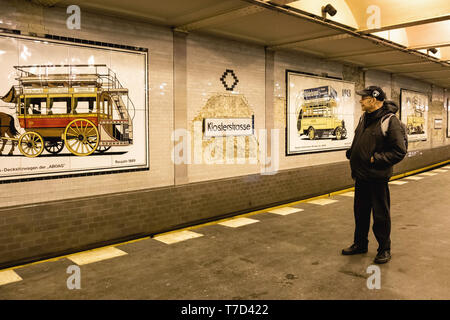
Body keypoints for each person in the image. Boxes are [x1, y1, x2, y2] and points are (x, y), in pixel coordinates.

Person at [342, 86, 407, 264]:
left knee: (380, 215)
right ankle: (360, 244)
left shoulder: (389, 121)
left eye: (364, 98)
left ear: (373, 100)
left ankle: (384, 249)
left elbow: (399, 151)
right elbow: (362, 140)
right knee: (360, 213)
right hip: (361, 175)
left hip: (377, 177)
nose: (360, 101)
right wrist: (353, 152)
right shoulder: (364, 118)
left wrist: (375, 159)